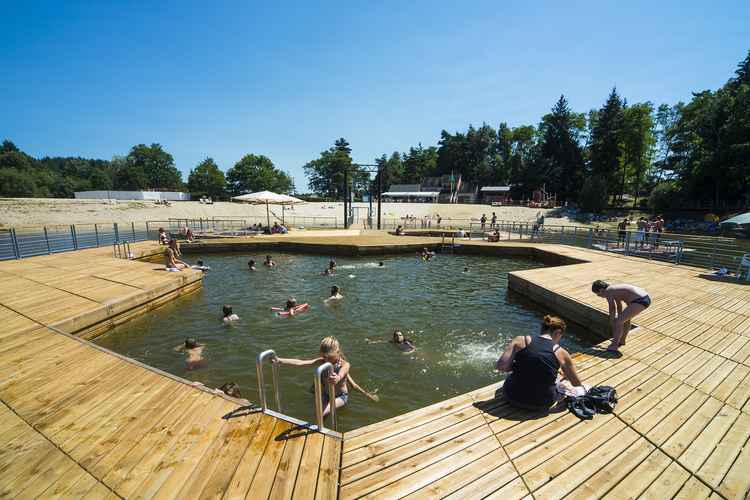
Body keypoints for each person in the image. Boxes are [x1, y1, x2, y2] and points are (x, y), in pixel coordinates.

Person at [496, 315, 583, 410]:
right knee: (557, 384)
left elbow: (501, 366)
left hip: (512, 397)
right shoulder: (561, 352)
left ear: (542, 328)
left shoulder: (521, 340)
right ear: (558, 332)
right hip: (542, 403)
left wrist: (521, 366)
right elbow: (576, 383)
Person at [272, 337, 350, 416]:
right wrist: (280, 360)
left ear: (338, 352)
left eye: (329, 357)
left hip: (340, 397)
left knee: (320, 413)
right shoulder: (322, 361)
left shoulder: (345, 364)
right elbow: (301, 363)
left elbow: (342, 373)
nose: (326, 359)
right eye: (324, 357)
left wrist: (337, 378)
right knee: (317, 412)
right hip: (326, 394)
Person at [592, 280, 650, 352]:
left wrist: (612, 321)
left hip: (639, 301)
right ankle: (622, 340)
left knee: (618, 322)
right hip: (644, 298)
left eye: (598, 294)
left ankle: (614, 346)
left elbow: (612, 307)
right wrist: (620, 316)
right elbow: (619, 305)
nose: (599, 296)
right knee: (625, 320)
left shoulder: (608, 292)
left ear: (601, 290)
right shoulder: (613, 289)